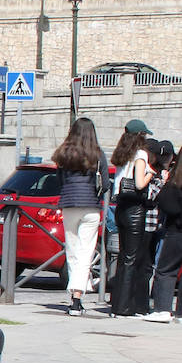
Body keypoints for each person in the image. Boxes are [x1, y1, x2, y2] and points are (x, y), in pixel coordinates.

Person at [50, 117, 110, 316]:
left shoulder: (63, 153)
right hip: (91, 206)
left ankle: (74, 298)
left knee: (73, 250)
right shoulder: (97, 154)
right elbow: (106, 184)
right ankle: (77, 298)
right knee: (86, 252)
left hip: (69, 204)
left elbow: (58, 180)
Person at [108, 119, 155, 317]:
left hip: (120, 207)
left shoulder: (121, 154)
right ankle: (125, 307)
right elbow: (138, 183)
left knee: (122, 258)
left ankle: (116, 303)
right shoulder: (141, 154)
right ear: (140, 136)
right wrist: (150, 175)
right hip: (135, 209)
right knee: (131, 259)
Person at [147, 149, 182, 323]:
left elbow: (165, 203)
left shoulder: (177, 180)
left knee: (166, 270)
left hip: (177, 230)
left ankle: (162, 308)